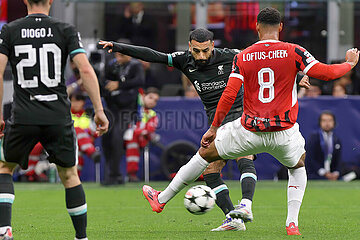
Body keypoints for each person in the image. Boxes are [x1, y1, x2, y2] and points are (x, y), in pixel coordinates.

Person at [140, 7, 359, 236]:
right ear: (281, 27)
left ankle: (161, 199)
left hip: (249, 130)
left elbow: (229, 95)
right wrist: (349, 64)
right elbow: (327, 73)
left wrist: (214, 127)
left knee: (204, 155)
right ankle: (291, 223)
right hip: (284, 132)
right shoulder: (294, 51)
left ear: (256, 27)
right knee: (298, 167)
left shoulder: (243, 56)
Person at [100, 28, 310, 231]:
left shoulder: (231, 55)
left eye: (206, 50)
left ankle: (243, 205)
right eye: (196, 51)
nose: (201, 56)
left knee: (243, 159)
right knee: (211, 170)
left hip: (241, 114)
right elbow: (154, 55)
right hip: (217, 121)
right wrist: (120, 47)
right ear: (190, 47)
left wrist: (299, 76)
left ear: (213, 46)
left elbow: (264, 61)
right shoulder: (184, 60)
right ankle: (233, 217)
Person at [0, 1, 109, 239]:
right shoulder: (66, 29)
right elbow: (86, 71)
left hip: (24, 115)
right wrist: (99, 109)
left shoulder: (10, 30)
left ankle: (4, 229)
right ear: (51, 1)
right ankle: (81, 237)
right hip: (57, 115)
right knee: (69, 175)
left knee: (4, 168)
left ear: (25, 1)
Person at [101, 51, 145, 185]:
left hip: (127, 110)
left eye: (122, 55)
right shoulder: (112, 65)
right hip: (112, 108)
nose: (118, 58)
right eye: (117, 55)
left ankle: (116, 174)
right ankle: (110, 173)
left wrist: (119, 85)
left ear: (129, 55)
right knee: (106, 137)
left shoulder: (135, 66)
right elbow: (102, 80)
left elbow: (140, 80)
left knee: (117, 137)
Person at [124, 87, 159, 182]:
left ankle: (132, 174)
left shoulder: (152, 114)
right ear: (143, 96)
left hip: (142, 139)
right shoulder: (134, 108)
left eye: (155, 100)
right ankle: (130, 174)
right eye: (150, 97)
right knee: (132, 139)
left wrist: (140, 131)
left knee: (133, 140)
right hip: (128, 137)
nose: (152, 101)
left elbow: (150, 129)